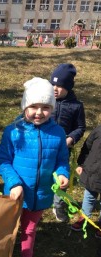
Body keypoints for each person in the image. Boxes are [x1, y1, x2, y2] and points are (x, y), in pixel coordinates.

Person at [0, 77, 70, 257]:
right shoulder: (13, 131)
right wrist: (13, 182)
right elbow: (2, 160)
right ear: (25, 106)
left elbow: (61, 160)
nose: (39, 112)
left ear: (53, 109)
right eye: (34, 106)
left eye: (45, 107)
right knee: (9, 229)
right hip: (16, 194)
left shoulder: (58, 133)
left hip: (41, 195)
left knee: (29, 230)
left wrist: (62, 173)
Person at [50, 63, 86, 222]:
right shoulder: (47, 102)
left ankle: (58, 205)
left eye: (60, 85)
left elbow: (80, 127)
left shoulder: (76, 106)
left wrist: (71, 138)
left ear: (69, 87)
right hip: (45, 147)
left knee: (61, 179)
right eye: (53, 84)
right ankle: (41, 199)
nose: (55, 88)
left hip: (64, 150)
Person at [70, 125, 101, 238]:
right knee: (89, 196)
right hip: (93, 172)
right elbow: (87, 146)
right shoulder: (98, 130)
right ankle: (85, 217)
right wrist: (81, 163)